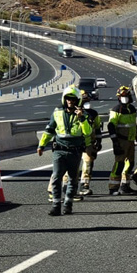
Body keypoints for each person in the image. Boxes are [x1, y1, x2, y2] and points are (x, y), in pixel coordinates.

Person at [38, 86, 93, 216]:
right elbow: (49, 130)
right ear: (64, 99)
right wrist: (41, 145)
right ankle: (56, 205)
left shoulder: (84, 115)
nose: (70, 101)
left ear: (77, 101)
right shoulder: (57, 112)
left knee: (73, 179)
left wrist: (81, 118)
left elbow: (88, 132)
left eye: (73, 99)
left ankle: (68, 204)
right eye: (68, 99)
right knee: (57, 177)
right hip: (59, 150)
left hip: (75, 151)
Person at [107, 85, 137, 195]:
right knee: (119, 164)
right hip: (121, 141)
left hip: (130, 141)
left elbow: (133, 125)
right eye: (122, 96)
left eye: (126, 96)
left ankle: (125, 186)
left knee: (130, 164)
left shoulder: (131, 109)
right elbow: (111, 126)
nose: (124, 98)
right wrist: (115, 142)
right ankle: (113, 188)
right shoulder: (116, 109)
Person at [76, 89, 103, 196]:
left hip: (88, 144)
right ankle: (67, 187)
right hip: (75, 143)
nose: (85, 102)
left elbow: (97, 128)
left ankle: (84, 185)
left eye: (86, 100)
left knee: (87, 164)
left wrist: (98, 141)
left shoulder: (93, 113)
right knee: (72, 166)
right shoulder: (70, 112)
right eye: (83, 100)